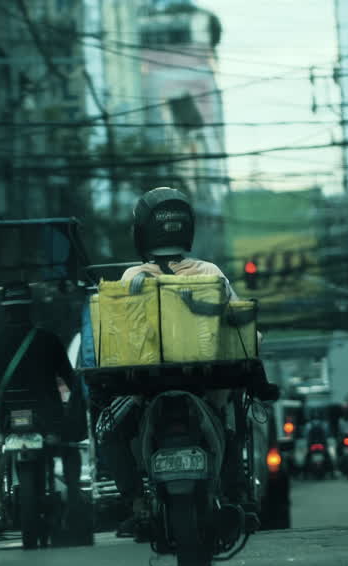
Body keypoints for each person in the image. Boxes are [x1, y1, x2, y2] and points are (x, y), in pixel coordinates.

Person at [97, 187, 244, 539]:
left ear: (141, 231)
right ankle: (234, 497)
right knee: (233, 426)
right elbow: (240, 328)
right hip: (204, 385)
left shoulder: (132, 277)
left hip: (146, 390)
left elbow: (118, 338)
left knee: (107, 430)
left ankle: (136, 504)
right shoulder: (210, 272)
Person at [0, 284, 87, 538]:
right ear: (30, 310)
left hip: (6, 421)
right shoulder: (49, 340)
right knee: (69, 446)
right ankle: (74, 497)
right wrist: (76, 408)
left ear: (5, 312)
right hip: (49, 421)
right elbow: (70, 380)